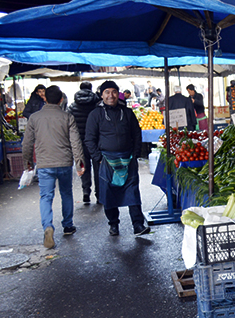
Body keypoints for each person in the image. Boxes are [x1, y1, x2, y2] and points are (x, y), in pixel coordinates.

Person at [21, 85, 85, 249]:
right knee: (66, 193)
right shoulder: (67, 117)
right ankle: (68, 225)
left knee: (46, 197)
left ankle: (48, 227)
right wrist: (79, 162)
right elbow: (75, 142)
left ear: (45, 98)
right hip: (64, 162)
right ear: (61, 99)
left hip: (44, 164)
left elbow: (27, 143)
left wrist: (27, 161)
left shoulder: (34, 118)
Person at [85, 80, 150, 236]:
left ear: (117, 94)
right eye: (107, 92)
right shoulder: (95, 114)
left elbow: (136, 134)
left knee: (133, 191)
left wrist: (135, 154)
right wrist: (98, 158)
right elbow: (89, 139)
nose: (111, 95)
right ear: (101, 95)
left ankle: (138, 225)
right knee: (108, 193)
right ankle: (113, 224)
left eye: (113, 91)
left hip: (128, 159)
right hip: (107, 160)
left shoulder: (127, 113)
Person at [68, 82, 101, 204]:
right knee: (98, 168)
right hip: (96, 141)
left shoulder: (72, 107)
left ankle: (86, 191)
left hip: (80, 141)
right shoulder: (97, 105)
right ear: (90, 89)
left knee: (84, 166)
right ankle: (99, 194)